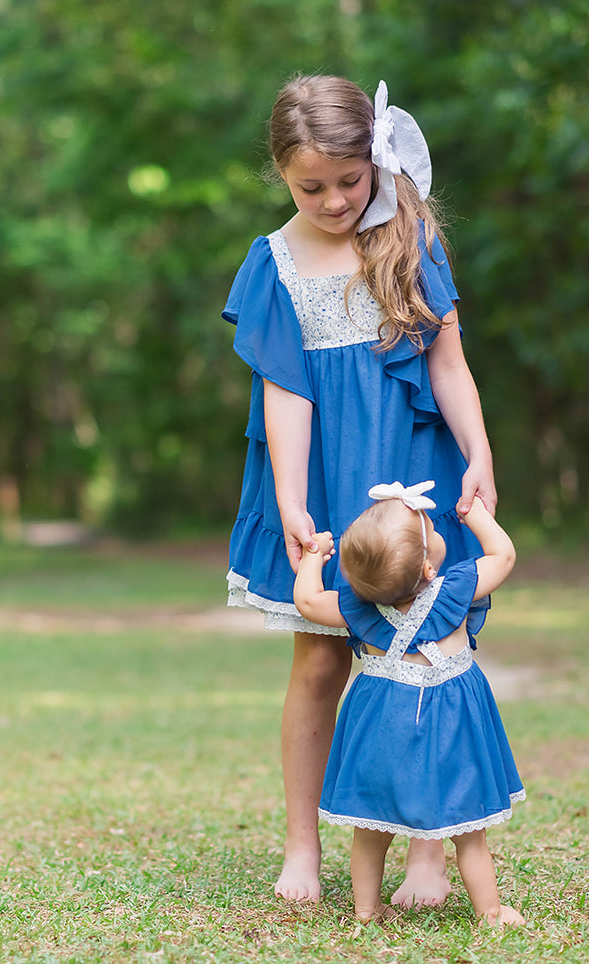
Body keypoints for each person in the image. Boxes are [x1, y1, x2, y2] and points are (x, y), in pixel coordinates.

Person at [223, 74, 496, 904]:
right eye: (312, 186)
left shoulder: (411, 239)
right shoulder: (274, 263)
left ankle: (425, 851)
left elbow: (446, 364)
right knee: (319, 660)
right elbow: (286, 394)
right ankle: (302, 846)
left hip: (416, 468)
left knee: (424, 651)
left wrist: (478, 452)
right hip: (327, 480)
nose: (336, 200)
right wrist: (293, 498)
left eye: (350, 180)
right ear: (279, 174)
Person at [293, 482, 525, 926]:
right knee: (469, 832)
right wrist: (475, 515)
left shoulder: (357, 608)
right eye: (428, 527)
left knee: (371, 828)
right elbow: (504, 557)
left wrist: (312, 558)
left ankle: (365, 909)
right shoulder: (455, 590)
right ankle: (491, 911)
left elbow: (305, 601)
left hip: (382, 725)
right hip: (452, 725)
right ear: (428, 567)